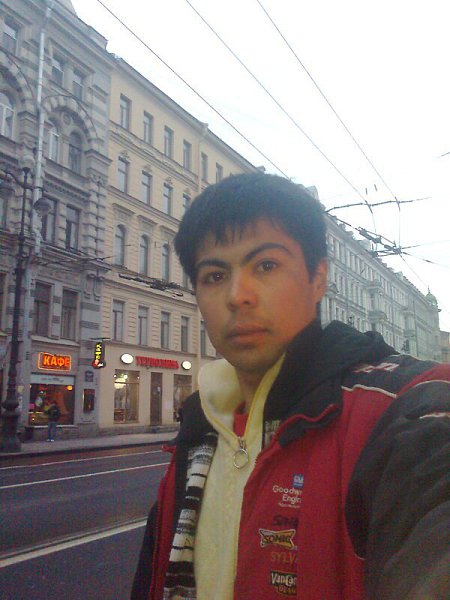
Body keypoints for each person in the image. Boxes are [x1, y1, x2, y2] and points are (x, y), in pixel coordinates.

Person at [132, 173, 450, 600]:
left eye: (266, 265)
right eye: (214, 275)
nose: (237, 295)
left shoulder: (399, 410)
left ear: (318, 279)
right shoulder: (197, 434)